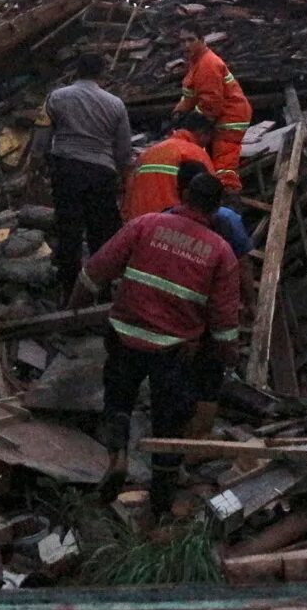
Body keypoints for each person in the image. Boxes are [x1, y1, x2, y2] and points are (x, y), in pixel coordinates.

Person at [78, 170, 241, 518]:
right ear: (216, 209)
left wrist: (76, 299)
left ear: (182, 195)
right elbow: (224, 317)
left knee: (118, 400)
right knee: (169, 423)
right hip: (174, 349)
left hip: (125, 334)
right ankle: (161, 505)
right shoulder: (221, 252)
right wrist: (226, 356)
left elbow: (99, 267)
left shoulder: (145, 224)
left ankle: (118, 457)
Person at [35, 53, 133, 296]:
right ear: (102, 73)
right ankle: (100, 290)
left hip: (66, 169)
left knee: (69, 231)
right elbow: (123, 150)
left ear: (77, 71)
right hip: (101, 172)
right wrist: (123, 176)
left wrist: (39, 164)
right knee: (100, 233)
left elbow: (41, 139)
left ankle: (68, 291)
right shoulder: (115, 104)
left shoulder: (56, 98)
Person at [171, 26, 253, 192]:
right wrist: (178, 111)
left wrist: (191, 125)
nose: (186, 45)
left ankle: (228, 197)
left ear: (202, 41)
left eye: (191, 40)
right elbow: (191, 96)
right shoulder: (197, 63)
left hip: (229, 120)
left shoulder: (208, 64)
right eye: (182, 41)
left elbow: (211, 104)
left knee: (224, 164)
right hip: (223, 117)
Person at [122, 112, 216, 222]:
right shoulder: (196, 153)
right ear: (203, 133)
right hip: (172, 225)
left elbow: (129, 188)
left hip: (139, 223)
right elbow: (210, 193)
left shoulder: (149, 152)